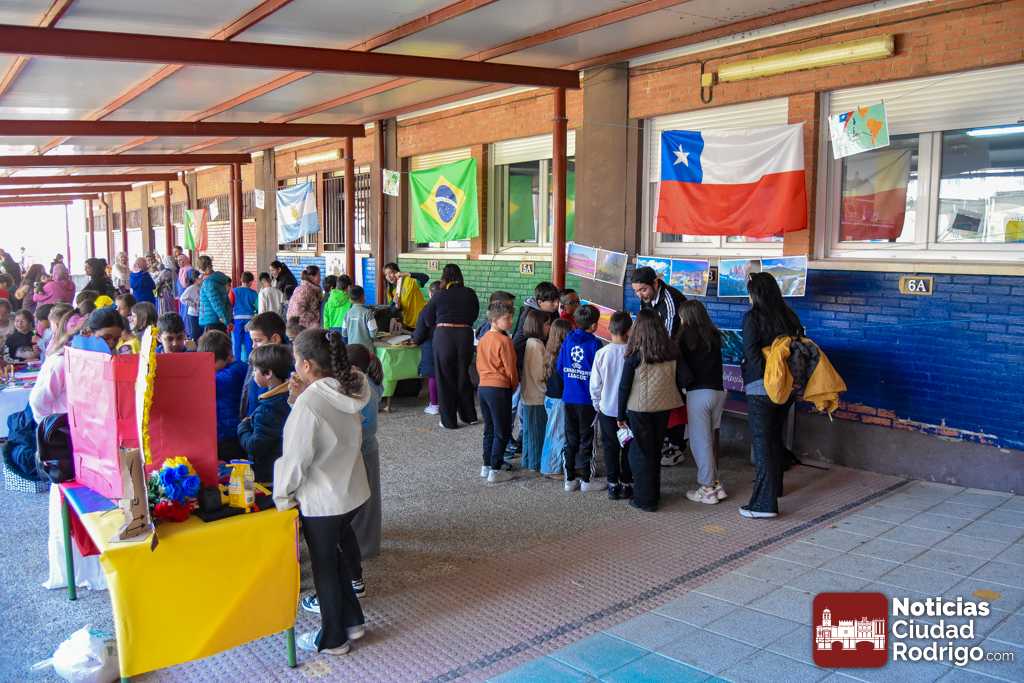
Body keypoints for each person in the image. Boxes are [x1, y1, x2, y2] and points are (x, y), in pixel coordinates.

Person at [275, 329, 371, 656]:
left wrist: (283, 497)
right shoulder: (349, 386)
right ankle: (353, 622)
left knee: (325, 567)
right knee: (336, 557)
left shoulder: (311, 403)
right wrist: (298, 399)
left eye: (296, 361)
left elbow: (296, 458)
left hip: (323, 500)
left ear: (306, 365)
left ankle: (333, 639)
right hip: (351, 491)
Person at [741, 272, 803, 519]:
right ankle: (775, 488)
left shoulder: (753, 317)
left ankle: (763, 504)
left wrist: (763, 378)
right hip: (786, 387)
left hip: (761, 387)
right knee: (775, 439)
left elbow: (750, 352)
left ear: (755, 294)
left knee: (763, 444)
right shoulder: (789, 316)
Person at [617, 309, 688, 513]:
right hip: (664, 407)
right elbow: (684, 379)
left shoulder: (635, 355)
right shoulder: (671, 352)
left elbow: (624, 387)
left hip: (639, 408)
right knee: (655, 451)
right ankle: (653, 493)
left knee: (641, 453)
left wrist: (620, 414)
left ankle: (644, 499)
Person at [411, 264, 478, 430]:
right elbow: (474, 315)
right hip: (465, 335)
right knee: (463, 374)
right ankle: (469, 416)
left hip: (444, 336)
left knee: (445, 377)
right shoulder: (470, 293)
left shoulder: (440, 295)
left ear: (444, 277)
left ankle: (449, 421)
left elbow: (427, 319)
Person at [676, 300, 729, 505]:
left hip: (698, 393)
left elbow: (680, 367)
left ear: (686, 317)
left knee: (700, 442)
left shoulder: (684, 336)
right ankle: (716, 484)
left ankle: (707, 489)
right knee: (709, 439)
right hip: (718, 392)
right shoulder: (713, 334)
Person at [555, 304, 603, 492]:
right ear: (594, 325)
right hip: (587, 400)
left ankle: (569, 479)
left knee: (571, 438)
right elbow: (599, 374)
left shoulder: (567, 340)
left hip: (569, 397)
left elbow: (560, 368)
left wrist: (571, 381)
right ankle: (586, 480)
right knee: (587, 439)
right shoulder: (595, 344)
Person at [590, 310, 634, 501]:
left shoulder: (602, 353)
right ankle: (626, 483)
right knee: (629, 446)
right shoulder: (633, 354)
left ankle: (612, 485)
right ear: (629, 330)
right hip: (629, 409)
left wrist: (597, 404)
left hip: (607, 409)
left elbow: (595, 384)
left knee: (610, 447)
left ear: (609, 329)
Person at [346, 343, 383, 560]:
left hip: (363, 448)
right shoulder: (367, 382)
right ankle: (364, 543)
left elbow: (366, 426)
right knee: (366, 498)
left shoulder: (363, 386)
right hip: (364, 448)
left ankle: (366, 547)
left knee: (366, 502)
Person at [476, 301, 519, 484]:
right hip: (499, 388)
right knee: (502, 430)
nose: (510, 321)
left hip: (483, 387)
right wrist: (514, 384)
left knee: (489, 429)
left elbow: (478, 364)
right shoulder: (504, 341)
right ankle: (496, 469)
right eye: (506, 318)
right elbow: (511, 368)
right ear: (494, 320)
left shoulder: (483, 338)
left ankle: (486, 465)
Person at [237, 343, 292, 484]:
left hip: (268, 475)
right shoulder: (289, 396)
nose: (253, 373)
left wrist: (243, 427)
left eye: (255, 370)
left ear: (268, 374)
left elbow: (255, 446)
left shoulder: (268, 409)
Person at [197, 329, 247, 461]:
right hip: (224, 434)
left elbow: (207, 382)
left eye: (212, 363)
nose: (208, 367)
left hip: (230, 436)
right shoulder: (234, 368)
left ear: (229, 357)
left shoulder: (231, 374)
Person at [28, 307, 77, 423]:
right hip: (63, 423)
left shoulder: (75, 356)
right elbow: (37, 400)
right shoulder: (61, 361)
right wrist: (46, 426)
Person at [240, 312, 288, 419]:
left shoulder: (285, 368)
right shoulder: (257, 358)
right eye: (252, 341)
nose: (253, 346)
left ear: (275, 339)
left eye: (258, 340)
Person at [519, 309, 549, 473]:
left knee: (529, 431)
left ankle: (527, 460)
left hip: (528, 394)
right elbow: (540, 375)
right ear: (539, 325)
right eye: (547, 324)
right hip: (536, 395)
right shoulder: (537, 345)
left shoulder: (530, 342)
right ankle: (535, 463)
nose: (549, 327)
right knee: (537, 432)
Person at [540, 319, 571, 477]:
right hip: (558, 400)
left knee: (551, 434)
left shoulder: (549, 352)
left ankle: (550, 466)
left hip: (550, 398)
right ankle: (551, 469)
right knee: (557, 435)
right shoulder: (562, 355)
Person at [631, 266, 687, 339]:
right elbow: (644, 323)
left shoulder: (670, 300)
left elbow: (668, 337)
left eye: (643, 290)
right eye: (636, 291)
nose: (640, 296)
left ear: (655, 283)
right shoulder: (645, 297)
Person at [413, 281, 441, 415]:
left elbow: (419, 334)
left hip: (431, 345)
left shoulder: (427, 310)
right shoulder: (449, 309)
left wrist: (414, 339)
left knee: (433, 376)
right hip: (448, 345)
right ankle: (445, 403)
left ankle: (434, 404)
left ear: (430, 294)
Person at [382, 262, 428, 330]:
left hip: (422, 321)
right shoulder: (390, 291)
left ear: (397, 272)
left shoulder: (409, 280)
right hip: (407, 324)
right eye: (386, 274)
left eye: (390, 272)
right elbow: (392, 310)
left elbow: (425, 277)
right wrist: (397, 306)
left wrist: (405, 274)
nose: (388, 276)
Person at [197, 255, 232, 333]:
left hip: (212, 320)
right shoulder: (218, 279)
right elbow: (225, 300)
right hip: (220, 319)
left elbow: (216, 303)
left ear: (201, 269)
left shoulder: (208, 283)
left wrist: (225, 320)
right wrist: (227, 318)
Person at [232, 272, 258, 363]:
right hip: (249, 319)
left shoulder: (234, 291)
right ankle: (250, 362)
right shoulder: (253, 293)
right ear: (250, 282)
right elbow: (257, 307)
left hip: (237, 319)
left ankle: (237, 361)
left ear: (241, 280)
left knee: (237, 341)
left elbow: (229, 304)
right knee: (249, 341)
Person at [288, 265, 323, 330]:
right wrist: (315, 318)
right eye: (319, 275)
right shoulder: (305, 290)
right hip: (301, 328)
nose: (320, 279)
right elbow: (297, 311)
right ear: (311, 277)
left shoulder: (311, 289)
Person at [342, 286, 376, 350]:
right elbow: (373, 333)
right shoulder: (368, 313)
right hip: (366, 349)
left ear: (350, 299)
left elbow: (344, 333)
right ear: (363, 297)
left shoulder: (347, 313)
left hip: (352, 349)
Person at [180, 270, 201, 340]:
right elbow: (182, 298)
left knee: (200, 332)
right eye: (200, 278)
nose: (202, 279)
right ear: (196, 279)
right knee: (195, 333)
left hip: (200, 313)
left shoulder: (201, 287)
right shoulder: (191, 288)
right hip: (193, 314)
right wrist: (192, 303)